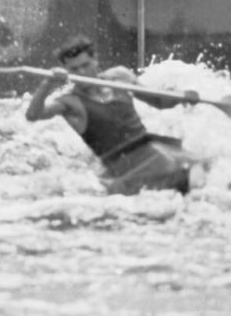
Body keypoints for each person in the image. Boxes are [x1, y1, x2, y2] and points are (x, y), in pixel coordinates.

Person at [25, 35, 197, 196]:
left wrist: (182, 96)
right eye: (74, 69)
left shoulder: (119, 77)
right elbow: (33, 115)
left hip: (151, 150)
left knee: (202, 165)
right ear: (67, 71)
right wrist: (47, 84)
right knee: (181, 173)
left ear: (95, 60)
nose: (82, 72)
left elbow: (159, 101)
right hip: (124, 168)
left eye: (86, 65)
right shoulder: (69, 102)